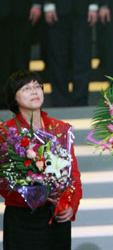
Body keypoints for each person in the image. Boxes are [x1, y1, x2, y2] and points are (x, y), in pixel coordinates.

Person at [1, 70, 83, 249]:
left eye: (37, 86)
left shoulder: (60, 128)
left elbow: (73, 174)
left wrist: (70, 203)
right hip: (22, 218)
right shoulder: (6, 133)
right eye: (26, 88)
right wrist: (37, 196)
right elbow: (4, 180)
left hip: (56, 215)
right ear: (14, 97)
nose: (34, 91)